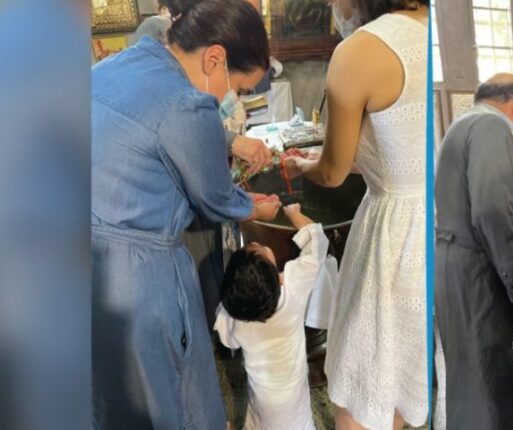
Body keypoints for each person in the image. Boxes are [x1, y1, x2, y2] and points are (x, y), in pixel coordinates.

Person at [91, 1, 281, 428]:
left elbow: (147, 127)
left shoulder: (123, 62)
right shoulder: (189, 105)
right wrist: (254, 205)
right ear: (214, 58)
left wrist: (228, 146)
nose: (233, 100)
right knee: (164, 385)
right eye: (239, 88)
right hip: (136, 269)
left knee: (109, 387)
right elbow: (215, 199)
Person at [283, 0, 429, 428]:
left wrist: (302, 167)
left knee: (368, 374)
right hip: (439, 222)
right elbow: (399, 152)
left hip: (395, 231)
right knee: (408, 367)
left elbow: (332, 173)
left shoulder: (360, 50)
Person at [434, 73, 513, 429]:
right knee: (490, 379)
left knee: (480, 376)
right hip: (482, 277)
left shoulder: (470, 123)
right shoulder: (491, 127)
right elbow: (492, 211)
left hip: (473, 268)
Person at [214, 203, 327, 430]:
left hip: (263, 398)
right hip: (293, 393)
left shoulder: (235, 317)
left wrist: (228, 309)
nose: (257, 243)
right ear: (279, 278)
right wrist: (294, 213)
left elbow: (228, 340)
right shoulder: (293, 285)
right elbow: (318, 243)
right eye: (262, 250)